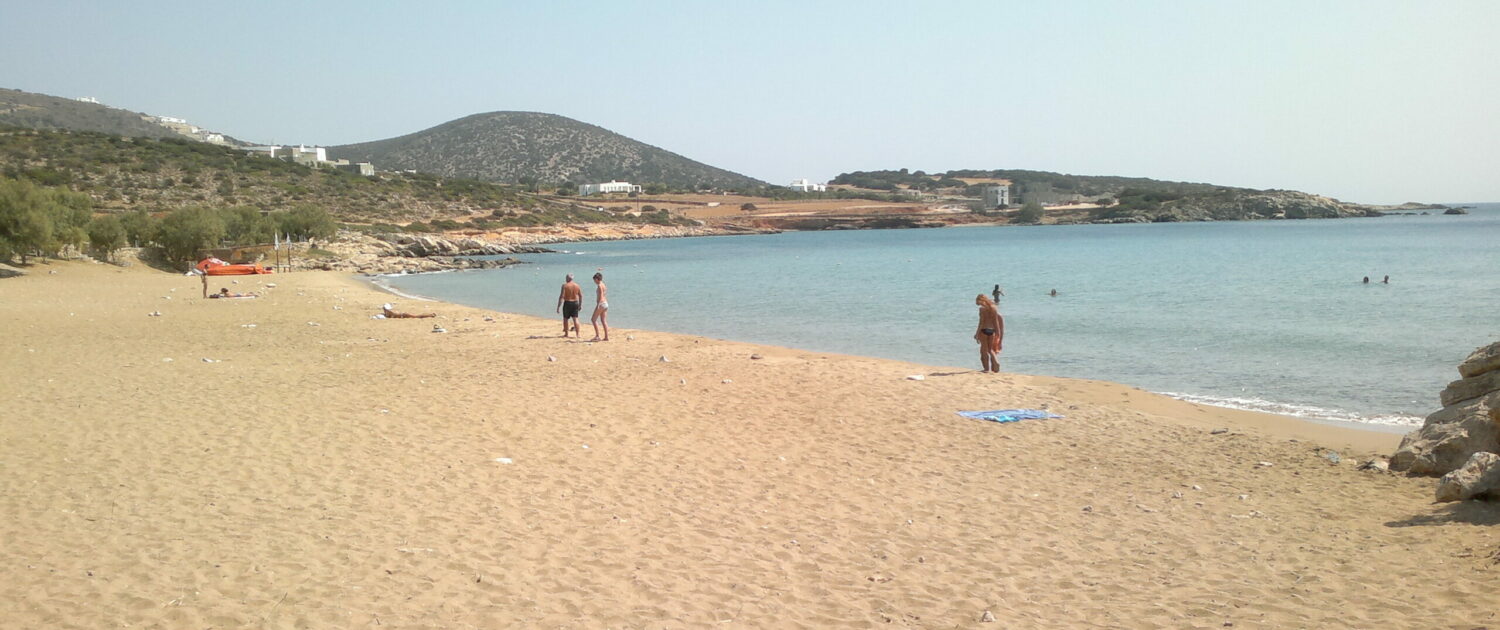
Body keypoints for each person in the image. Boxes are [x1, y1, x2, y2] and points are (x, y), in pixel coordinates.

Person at [974, 294, 1004, 373]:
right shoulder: (994, 308)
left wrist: (977, 334)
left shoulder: (982, 309)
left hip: (984, 330)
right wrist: (998, 332)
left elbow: (981, 322)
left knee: (984, 351)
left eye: (978, 302)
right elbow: (996, 322)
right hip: (992, 331)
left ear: (981, 300)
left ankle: (986, 369)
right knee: (990, 350)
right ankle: (996, 362)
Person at [589, 272, 609, 342]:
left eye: (594, 280)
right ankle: (606, 337)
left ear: (597, 279)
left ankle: (597, 336)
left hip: (601, 304)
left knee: (593, 319)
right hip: (605, 303)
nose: (594, 281)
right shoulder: (603, 284)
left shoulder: (600, 286)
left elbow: (600, 296)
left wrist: (598, 305)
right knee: (603, 320)